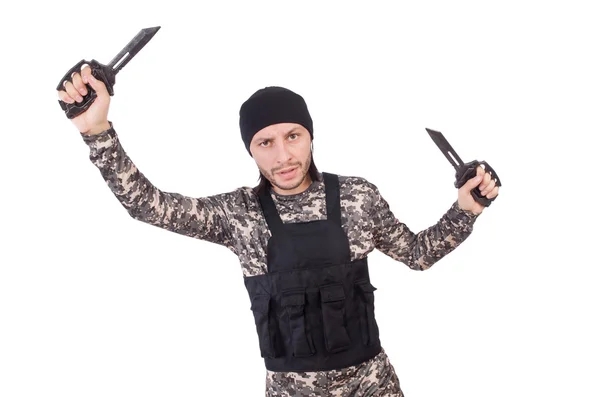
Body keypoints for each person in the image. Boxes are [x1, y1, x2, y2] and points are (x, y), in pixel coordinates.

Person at [57, 65, 499, 397]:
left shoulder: (357, 197)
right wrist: (98, 133)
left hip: (374, 387)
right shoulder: (239, 214)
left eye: (293, 136)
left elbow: (418, 254)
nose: (283, 155)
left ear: (310, 136)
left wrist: (466, 209)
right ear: (250, 150)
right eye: (265, 143)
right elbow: (148, 206)